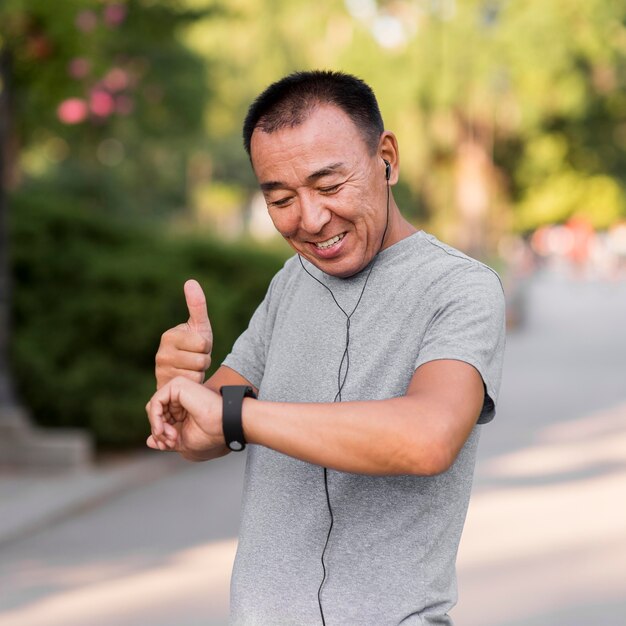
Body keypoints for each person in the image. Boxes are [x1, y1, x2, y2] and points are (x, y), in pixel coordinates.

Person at [146, 70, 506, 625]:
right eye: (282, 198)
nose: (310, 220)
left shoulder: (460, 286)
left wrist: (238, 416)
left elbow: (427, 438)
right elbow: (203, 432)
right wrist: (179, 393)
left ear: (386, 157)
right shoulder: (290, 283)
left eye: (330, 186)